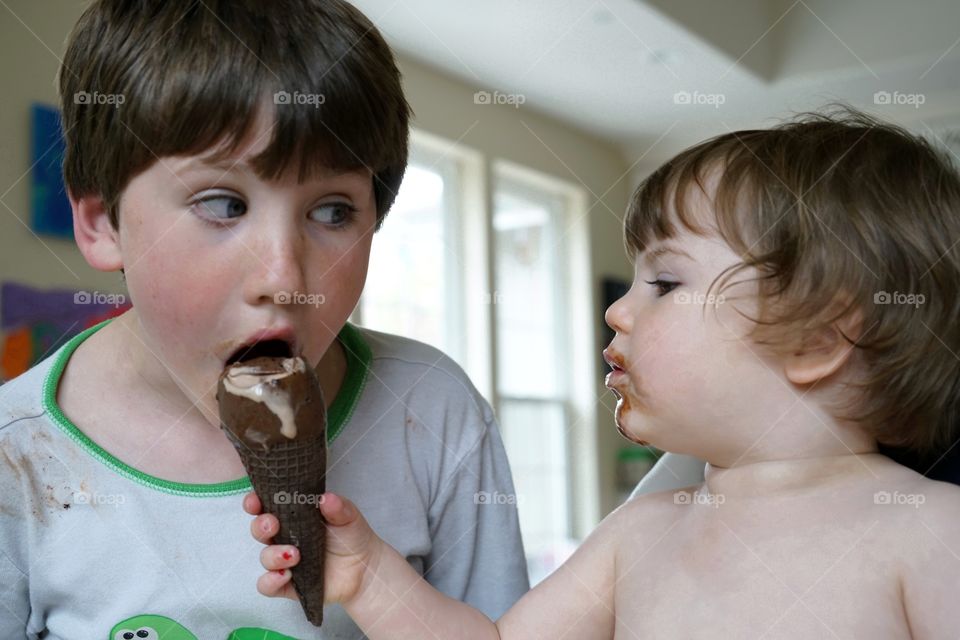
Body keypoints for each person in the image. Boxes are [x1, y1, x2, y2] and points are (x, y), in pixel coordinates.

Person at [250, 108, 960, 638]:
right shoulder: (637, 536)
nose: (618, 312)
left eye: (666, 284)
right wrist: (372, 577)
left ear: (816, 339)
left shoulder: (930, 533)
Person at [0, 1, 528, 637]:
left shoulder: (433, 414)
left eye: (332, 212)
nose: (284, 277)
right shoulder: (16, 451)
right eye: (223, 204)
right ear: (100, 223)